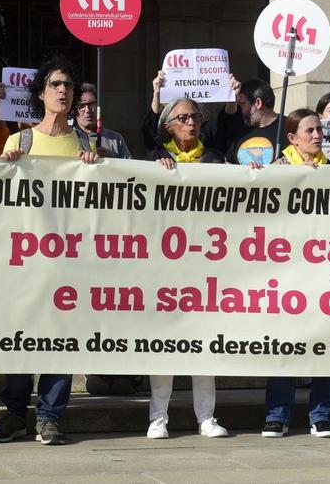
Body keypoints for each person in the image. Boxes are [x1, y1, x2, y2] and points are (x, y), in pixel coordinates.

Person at [0, 57, 98, 447]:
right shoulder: (21, 141)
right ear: (41, 93)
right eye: (55, 84)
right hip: (26, 258)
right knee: (21, 337)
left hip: (68, 259)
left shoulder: (86, 144)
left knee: (61, 337)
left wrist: (95, 169)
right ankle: (16, 411)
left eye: (68, 85)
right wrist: (6, 167)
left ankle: (50, 415)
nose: (63, 91)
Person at [143, 97, 227, 438]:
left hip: (204, 264)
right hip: (164, 266)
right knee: (164, 345)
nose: (191, 123)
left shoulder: (216, 159)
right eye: (182, 118)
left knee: (203, 344)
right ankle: (157, 418)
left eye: (195, 117)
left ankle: (206, 417)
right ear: (167, 126)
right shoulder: (152, 160)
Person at [262, 108, 330, 439]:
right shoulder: (274, 170)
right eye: (309, 130)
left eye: (319, 129)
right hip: (286, 272)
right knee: (284, 346)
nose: (317, 135)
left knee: (325, 344)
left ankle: (322, 415)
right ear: (292, 138)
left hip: (325, 271)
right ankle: (277, 415)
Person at [223, 78, 283, 166]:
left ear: (258, 103)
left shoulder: (289, 127)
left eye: (242, 104)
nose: (240, 110)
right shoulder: (240, 130)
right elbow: (229, 166)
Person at [77, 82, 132, 159]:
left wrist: (109, 161)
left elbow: (129, 168)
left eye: (92, 104)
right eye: (82, 105)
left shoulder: (115, 139)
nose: (87, 110)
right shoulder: (70, 138)